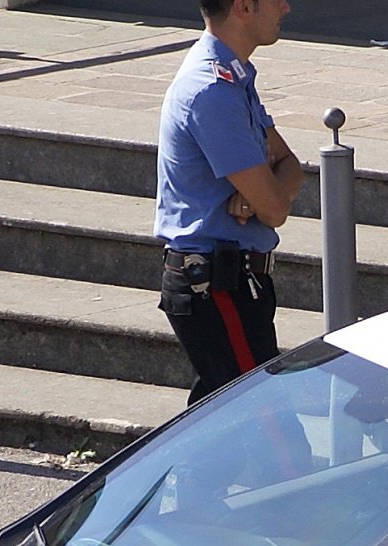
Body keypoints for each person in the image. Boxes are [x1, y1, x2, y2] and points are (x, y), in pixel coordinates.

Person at [155, 0, 303, 404]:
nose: (286, 8)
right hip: (216, 286)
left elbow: (292, 166)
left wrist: (259, 193)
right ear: (243, 6)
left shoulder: (233, 77)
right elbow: (275, 209)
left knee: (223, 430)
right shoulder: (213, 90)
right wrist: (264, 196)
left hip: (235, 282)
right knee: (267, 429)